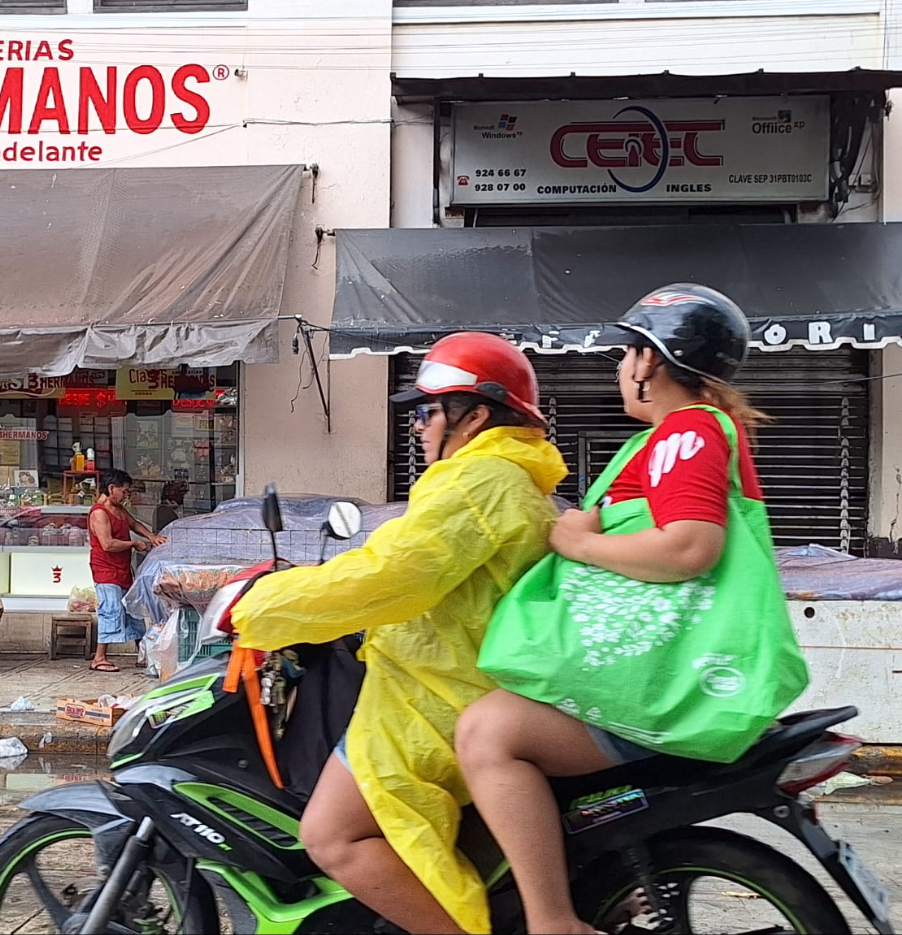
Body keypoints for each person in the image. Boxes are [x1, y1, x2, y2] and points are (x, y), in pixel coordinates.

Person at [455, 284, 796, 935]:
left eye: (625, 353)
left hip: (662, 679)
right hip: (666, 672)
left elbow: (690, 545)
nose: (619, 367)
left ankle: (553, 920)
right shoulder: (688, 435)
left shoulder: (687, 432)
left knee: (487, 734)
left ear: (652, 361)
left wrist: (580, 540)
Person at [230, 333, 569, 935]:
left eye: (427, 411)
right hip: (451, 687)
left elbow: (393, 577)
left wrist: (260, 605)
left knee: (330, 835)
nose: (416, 425)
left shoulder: (477, 482)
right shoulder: (511, 479)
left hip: (433, 701)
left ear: (476, 417)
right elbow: (405, 563)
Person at [89, 469, 166, 673]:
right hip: (105, 571)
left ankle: (142, 654)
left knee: (132, 609)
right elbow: (107, 544)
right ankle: (99, 658)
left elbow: (133, 523)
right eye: (124, 491)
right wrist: (134, 544)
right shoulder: (99, 513)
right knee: (111, 610)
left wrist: (151, 536)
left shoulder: (119, 510)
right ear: (111, 488)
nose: (126, 496)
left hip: (123, 569)